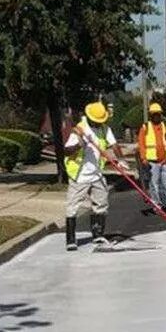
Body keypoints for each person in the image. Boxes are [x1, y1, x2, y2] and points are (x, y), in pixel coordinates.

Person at [63, 101, 126, 251]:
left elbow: (114, 145)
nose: (99, 123)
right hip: (79, 175)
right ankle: (71, 239)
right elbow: (66, 151)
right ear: (90, 118)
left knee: (101, 204)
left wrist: (121, 160)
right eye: (96, 121)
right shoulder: (79, 130)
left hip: (96, 174)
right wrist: (80, 144)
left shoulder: (104, 129)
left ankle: (97, 234)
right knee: (72, 207)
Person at [136, 102, 166, 213]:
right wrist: (143, 158)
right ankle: (157, 206)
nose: (157, 116)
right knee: (154, 185)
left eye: (158, 114)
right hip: (152, 161)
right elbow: (141, 144)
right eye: (154, 114)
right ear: (151, 115)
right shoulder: (145, 127)